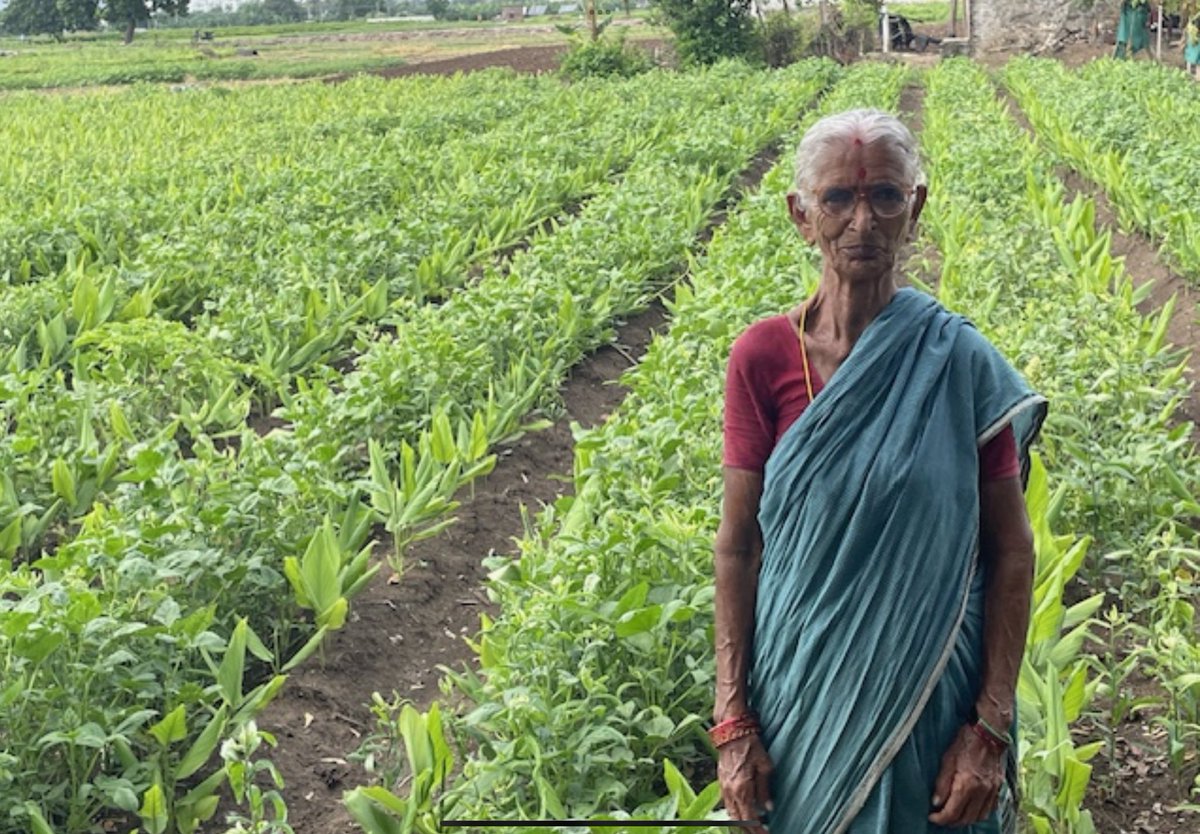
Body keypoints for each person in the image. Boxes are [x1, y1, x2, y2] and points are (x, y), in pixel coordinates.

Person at [711, 109, 1047, 834]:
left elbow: (1011, 549)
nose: (863, 220)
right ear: (802, 216)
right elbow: (738, 547)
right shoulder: (763, 359)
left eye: (886, 196)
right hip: (803, 699)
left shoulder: (956, 363)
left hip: (933, 708)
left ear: (915, 209)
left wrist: (989, 727)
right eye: (838, 199)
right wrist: (732, 720)